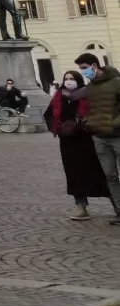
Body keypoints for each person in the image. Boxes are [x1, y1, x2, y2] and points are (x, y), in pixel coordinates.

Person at [46, 69, 115, 221]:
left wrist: (88, 124)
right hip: (68, 142)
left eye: (72, 78)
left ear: (78, 80)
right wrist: (57, 127)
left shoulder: (87, 94)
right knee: (74, 175)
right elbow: (49, 114)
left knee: (100, 171)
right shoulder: (59, 96)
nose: (69, 81)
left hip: (86, 139)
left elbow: (97, 112)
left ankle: (116, 205)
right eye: (66, 78)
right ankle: (81, 206)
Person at [76, 52, 120, 224]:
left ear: (94, 65)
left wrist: (114, 123)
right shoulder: (91, 87)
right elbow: (89, 109)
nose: (83, 72)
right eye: (81, 69)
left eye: (85, 68)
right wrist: (88, 122)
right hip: (100, 137)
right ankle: (119, 211)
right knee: (110, 176)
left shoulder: (116, 82)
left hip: (117, 135)